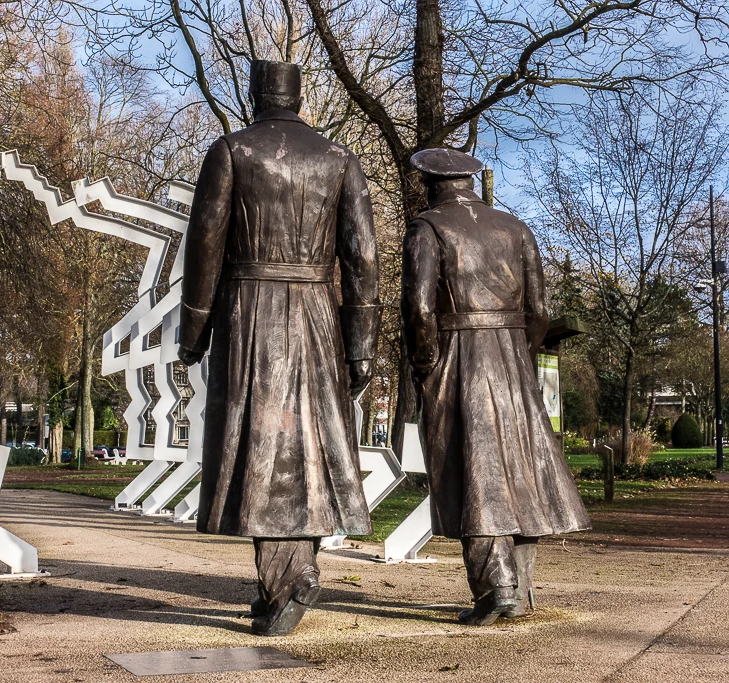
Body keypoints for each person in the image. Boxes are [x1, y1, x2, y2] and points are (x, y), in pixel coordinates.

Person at [177, 60, 381, 636]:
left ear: (254, 94)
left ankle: (288, 580)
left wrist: (194, 331)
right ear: (299, 97)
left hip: (250, 312)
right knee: (305, 448)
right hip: (317, 313)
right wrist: (360, 343)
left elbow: (205, 247)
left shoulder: (232, 151)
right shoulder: (340, 159)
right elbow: (362, 258)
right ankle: (288, 578)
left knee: (262, 450)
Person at [401, 148, 591, 626]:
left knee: (471, 468)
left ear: (430, 183)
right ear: (468, 182)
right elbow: (540, 310)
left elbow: (420, 308)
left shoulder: (429, 228)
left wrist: (425, 362)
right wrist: (520, 355)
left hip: (457, 354)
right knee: (518, 469)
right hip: (510, 355)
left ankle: (496, 588)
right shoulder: (515, 227)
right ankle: (518, 587)